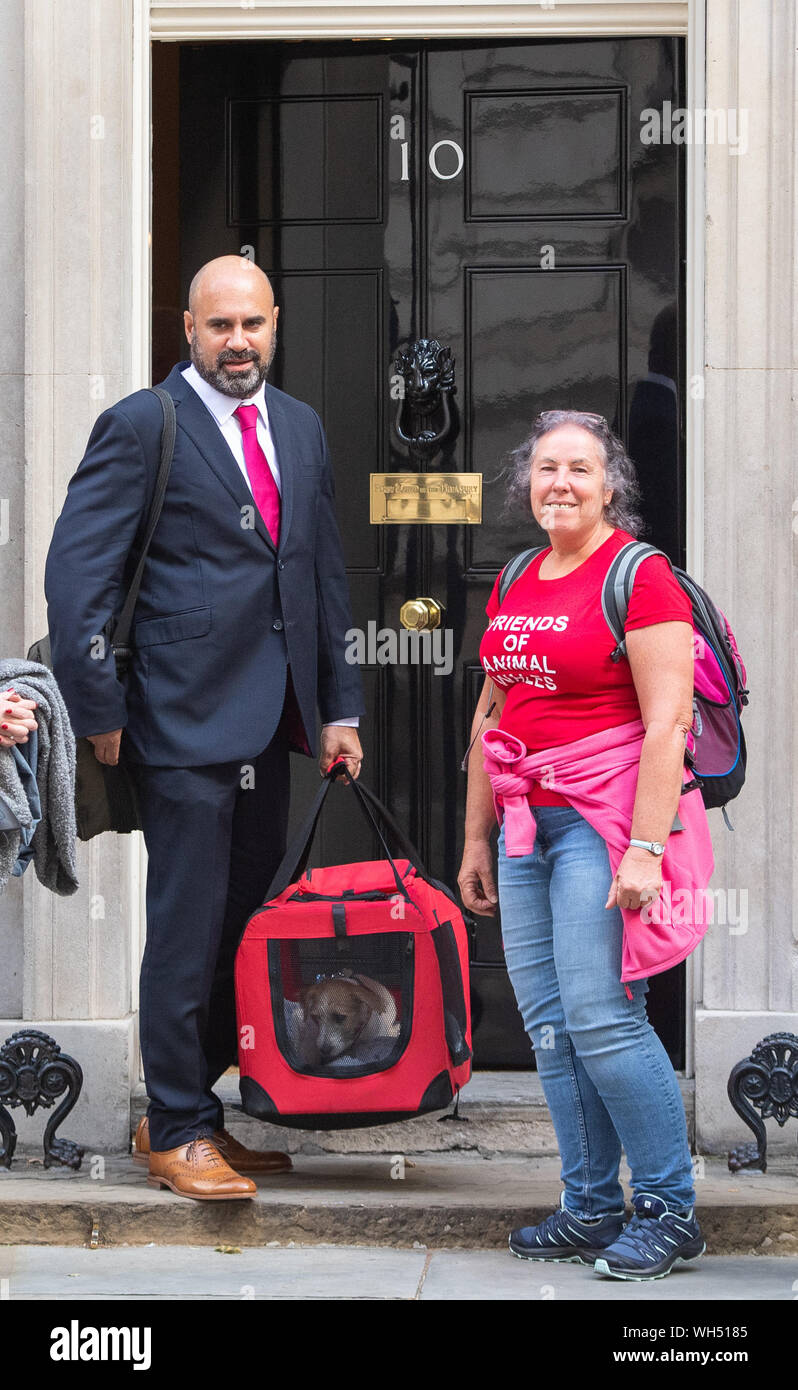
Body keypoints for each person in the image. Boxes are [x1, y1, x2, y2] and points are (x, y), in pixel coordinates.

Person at [45, 256, 365, 1200]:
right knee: (186, 925)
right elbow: (79, 581)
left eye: (253, 325)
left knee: (243, 920)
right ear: (187, 328)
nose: (238, 342)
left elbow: (321, 575)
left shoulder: (300, 427)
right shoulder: (144, 425)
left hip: (272, 723)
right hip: (178, 718)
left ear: (275, 324)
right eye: (219, 326)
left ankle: (193, 1107)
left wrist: (336, 707)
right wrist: (98, 708)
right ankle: (176, 1127)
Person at [458, 409, 713, 1281]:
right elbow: (493, 716)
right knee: (553, 1026)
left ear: (611, 487)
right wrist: (476, 837)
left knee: (604, 1017)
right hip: (525, 820)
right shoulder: (520, 575)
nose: (560, 483)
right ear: (527, 484)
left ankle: (670, 1211)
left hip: (604, 825)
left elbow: (668, 719)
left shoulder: (640, 578)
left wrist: (646, 847)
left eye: (580, 469)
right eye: (546, 469)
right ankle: (591, 1206)